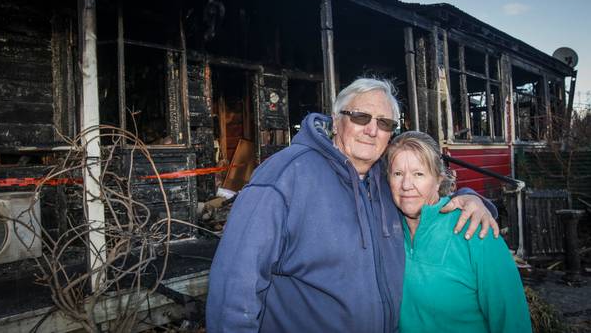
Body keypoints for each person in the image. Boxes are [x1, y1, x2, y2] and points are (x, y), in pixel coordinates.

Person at [206, 78, 499, 333]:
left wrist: (474, 200)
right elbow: (234, 286)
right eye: (360, 116)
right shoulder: (285, 176)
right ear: (336, 121)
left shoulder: (386, 180)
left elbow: (430, 194)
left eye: (384, 123)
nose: (372, 129)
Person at [386, 131, 531, 333]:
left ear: (438, 180)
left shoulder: (476, 230)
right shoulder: (385, 232)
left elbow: (513, 321)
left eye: (419, 174)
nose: (406, 185)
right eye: (398, 174)